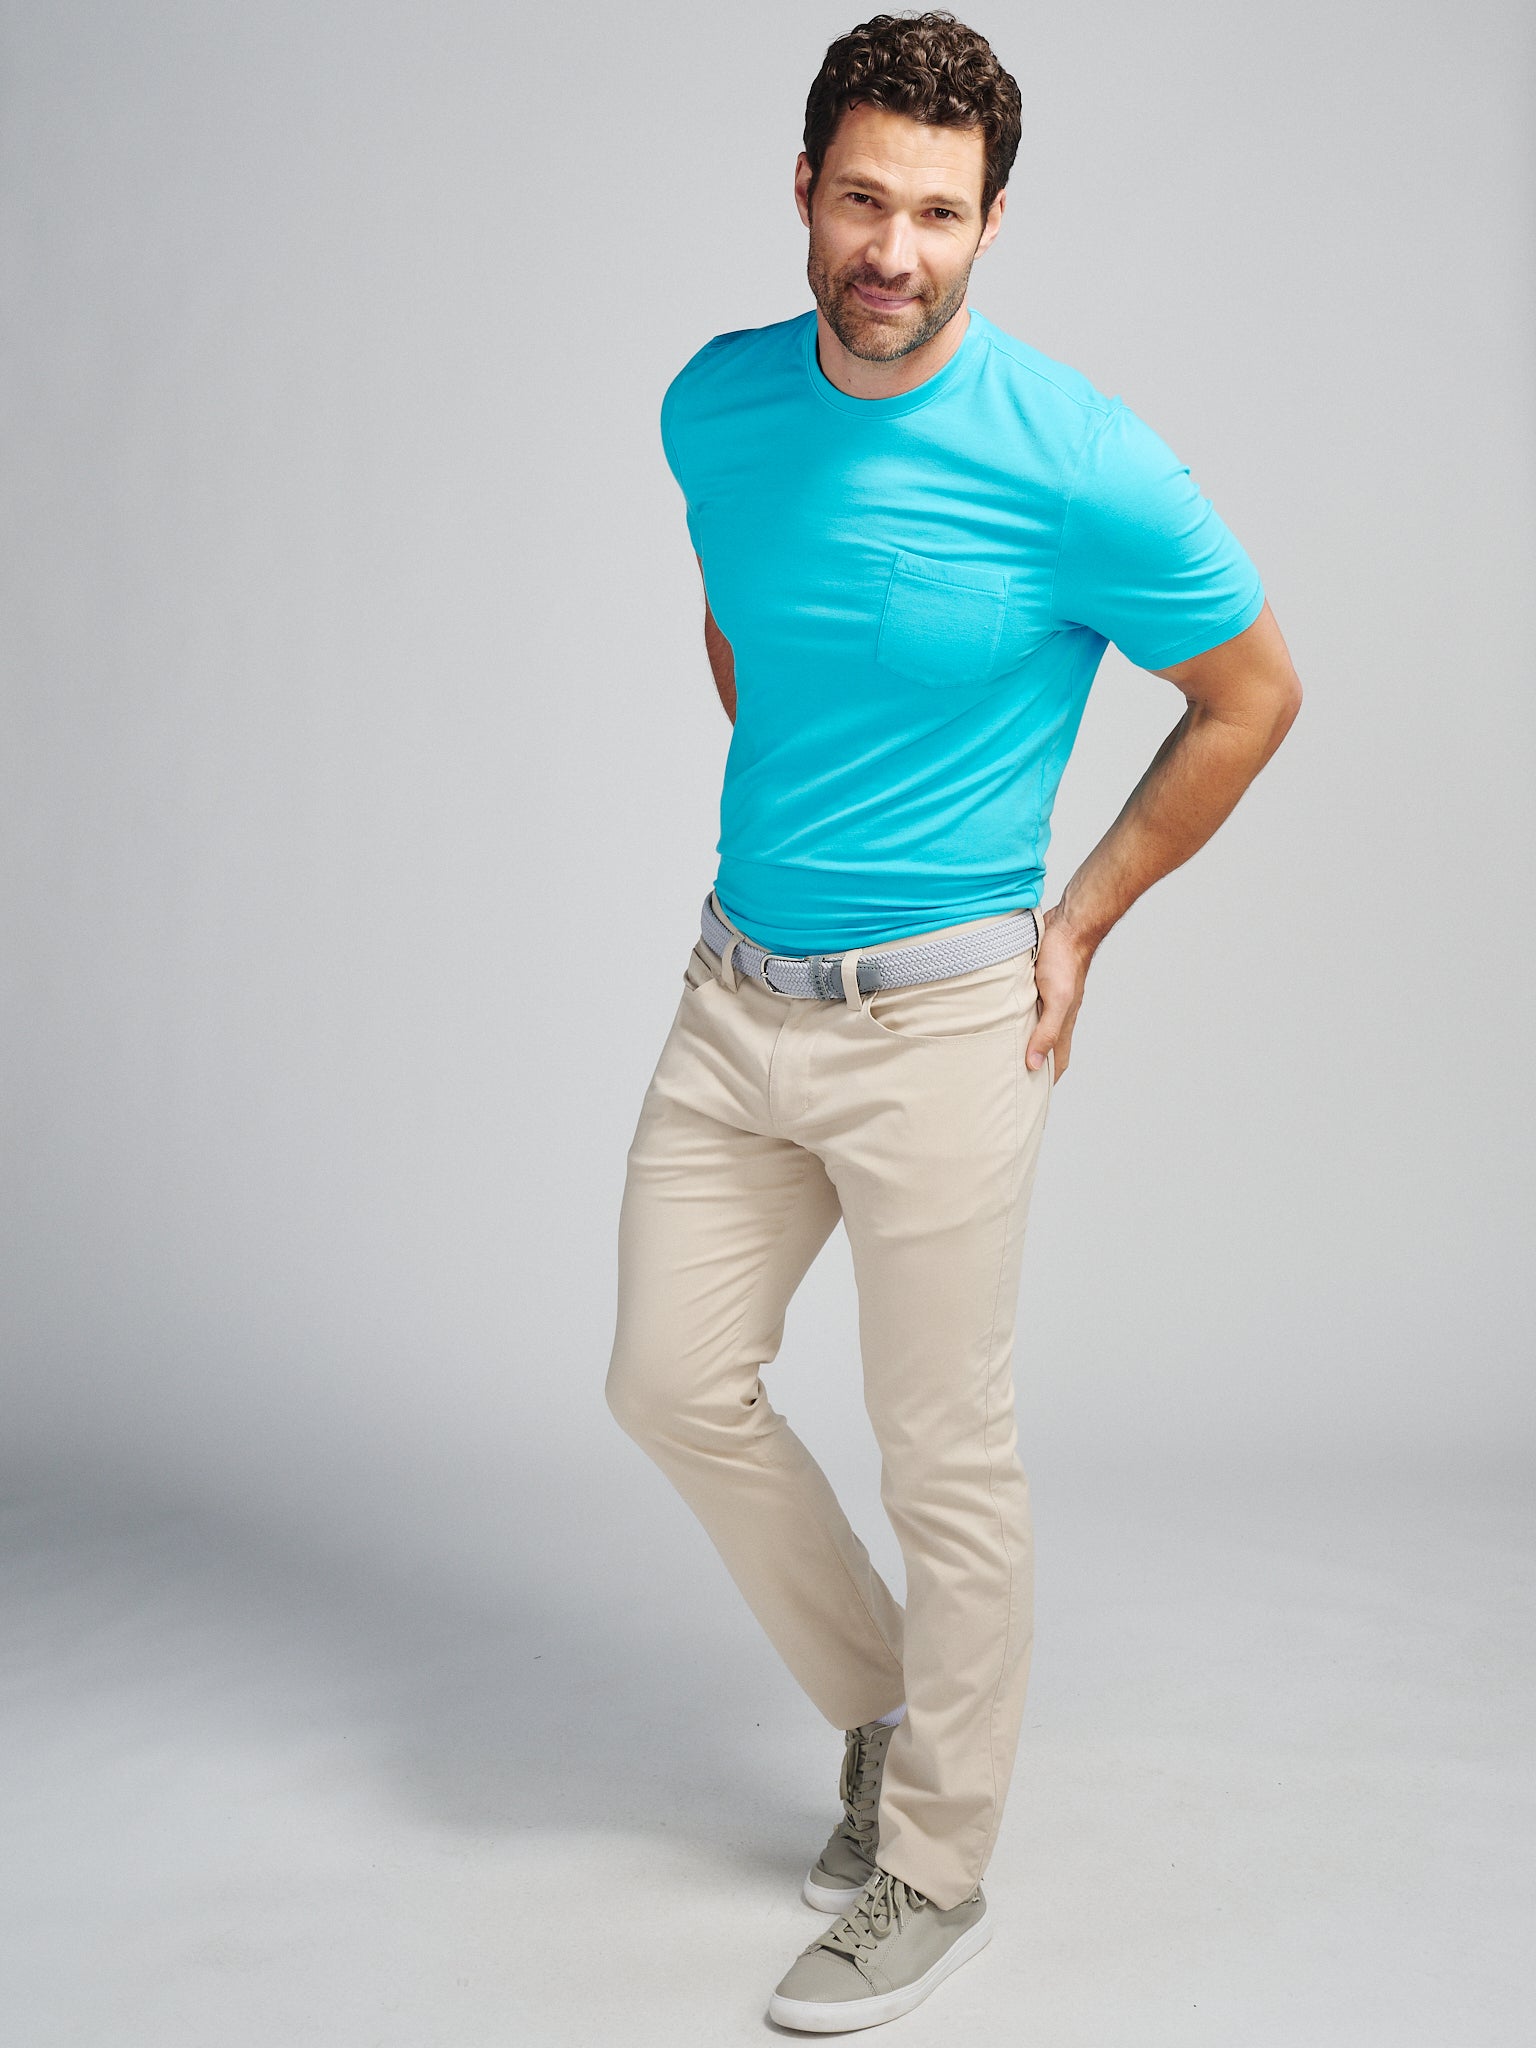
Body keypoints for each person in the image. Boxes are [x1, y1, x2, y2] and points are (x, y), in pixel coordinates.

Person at [605, 10, 1302, 2032]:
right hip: (735, 995)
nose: (890, 249)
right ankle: (885, 1704)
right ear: (802, 191)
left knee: (944, 1451)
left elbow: (1253, 692)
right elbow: (747, 616)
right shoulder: (715, 405)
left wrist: (1079, 919)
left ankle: (933, 1864)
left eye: (935, 212)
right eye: (860, 200)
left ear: (992, 224)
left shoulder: (1079, 459)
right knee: (669, 1380)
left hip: (941, 1029)